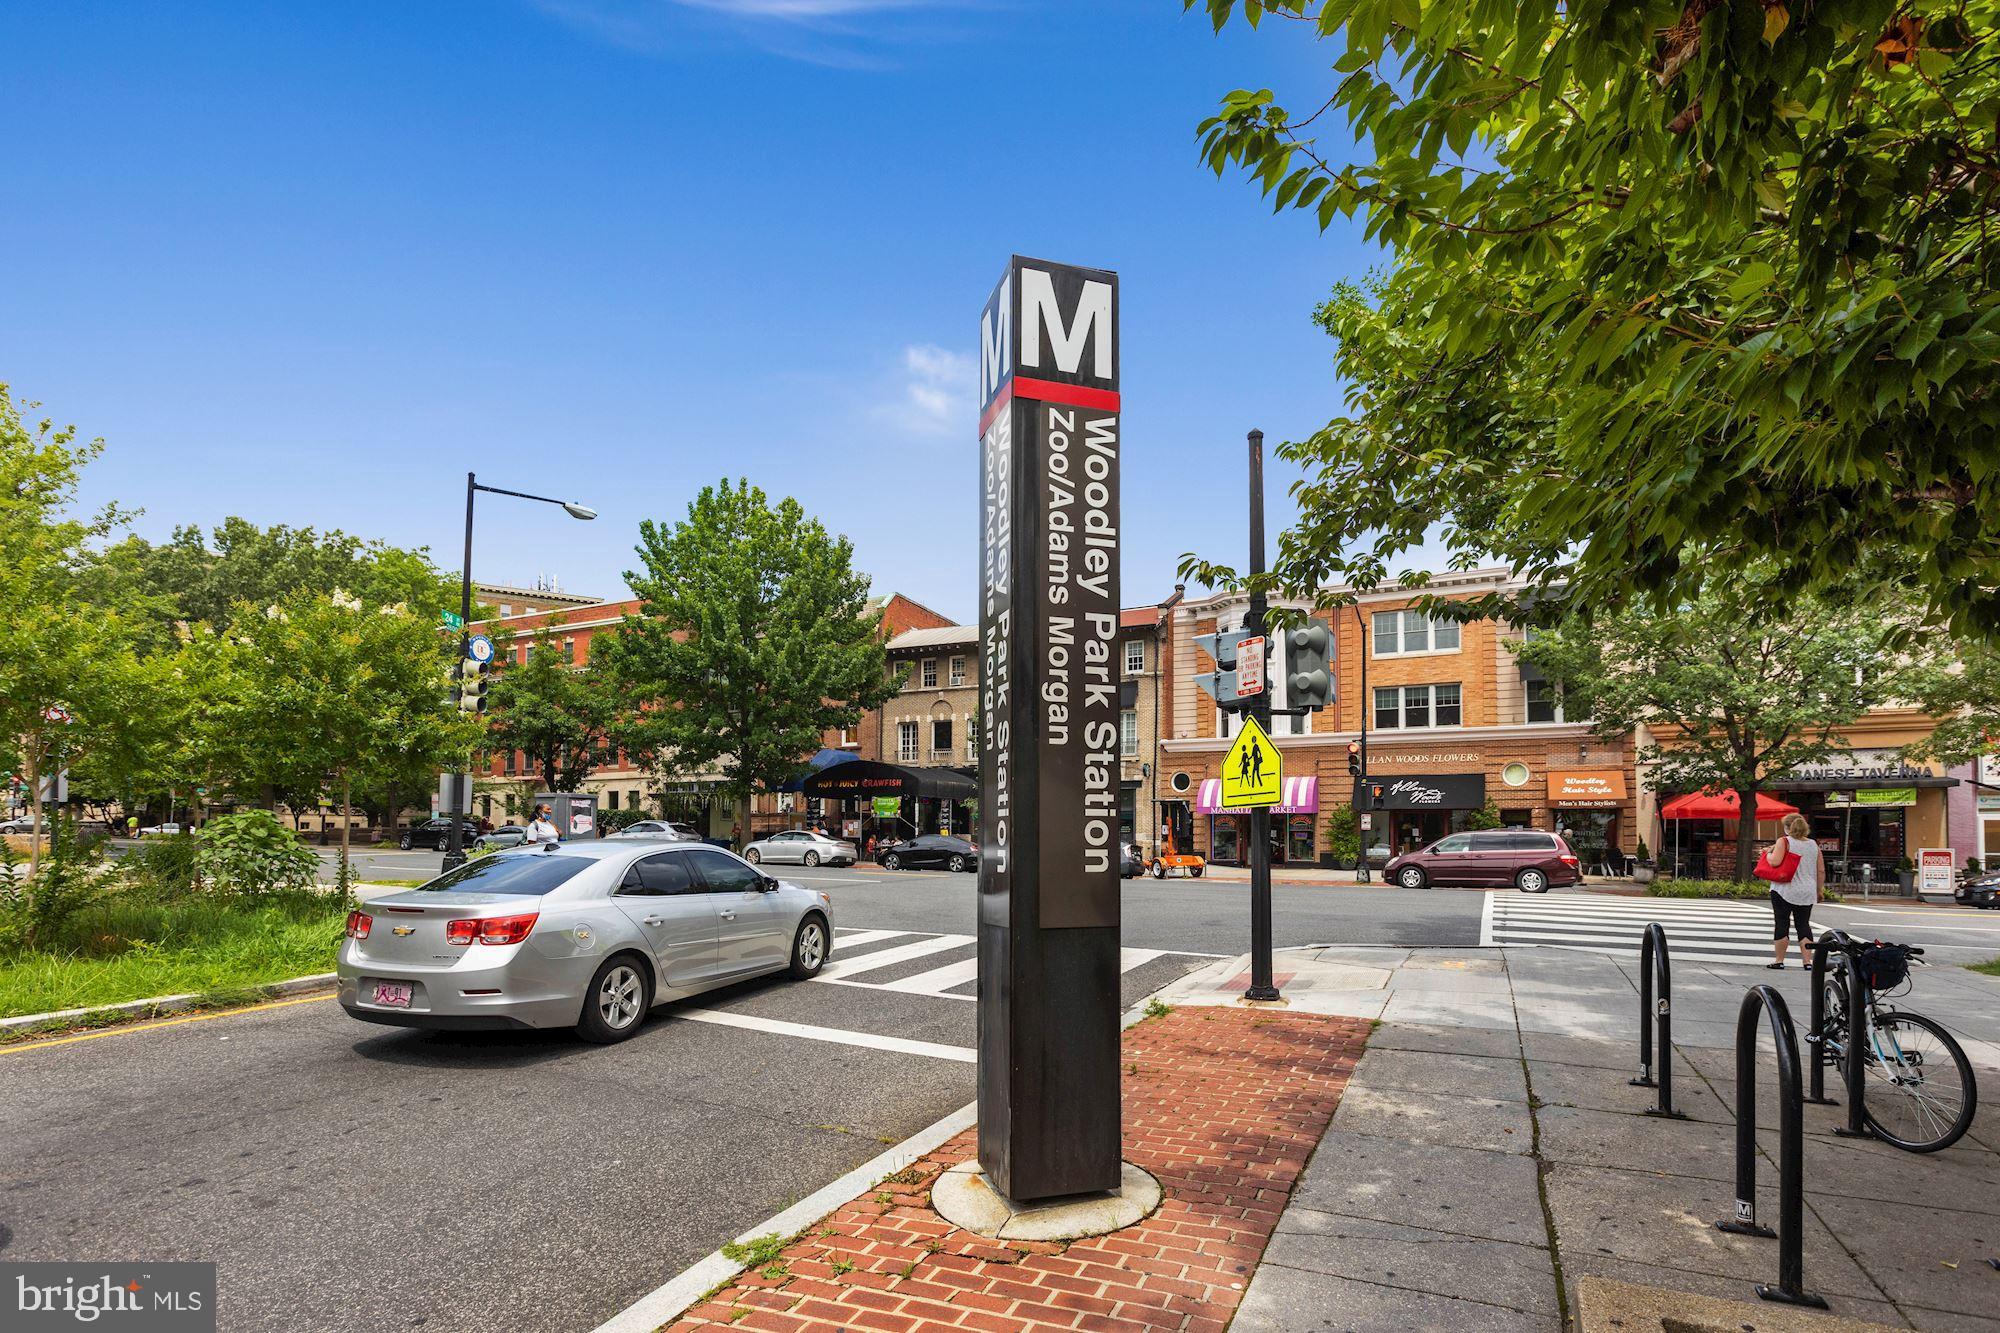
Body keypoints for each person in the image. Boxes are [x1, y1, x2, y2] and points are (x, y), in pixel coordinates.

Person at [1767, 812, 1822, 969]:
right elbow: (1821, 870)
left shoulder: (1783, 841)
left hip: (1783, 889)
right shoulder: (1813, 844)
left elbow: (1775, 862)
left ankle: (1779, 960)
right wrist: (1818, 890)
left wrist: (1768, 854)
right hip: (1807, 890)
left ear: (1787, 828)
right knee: (1803, 924)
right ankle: (1807, 962)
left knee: (1782, 923)